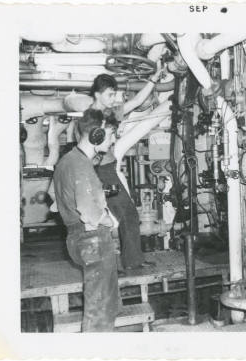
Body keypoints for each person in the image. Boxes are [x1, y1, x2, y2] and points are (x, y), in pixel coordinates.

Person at [89, 72, 172, 271]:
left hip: (107, 170)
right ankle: (122, 262)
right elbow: (88, 151)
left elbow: (136, 101)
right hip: (100, 173)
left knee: (127, 214)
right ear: (97, 95)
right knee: (118, 215)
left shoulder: (108, 114)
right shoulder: (88, 119)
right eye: (110, 95)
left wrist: (152, 80)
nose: (113, 99)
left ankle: (132, 260)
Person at [53, 108, 120, 332]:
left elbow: (54, 198)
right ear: (97, 135)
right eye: (111, 135)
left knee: (102, 303)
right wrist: (110, 221)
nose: (112, 142)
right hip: (93, 241)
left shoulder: (65, 161)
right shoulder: (81, 165)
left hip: (75, 237)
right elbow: (89, 213)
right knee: (100, 311)